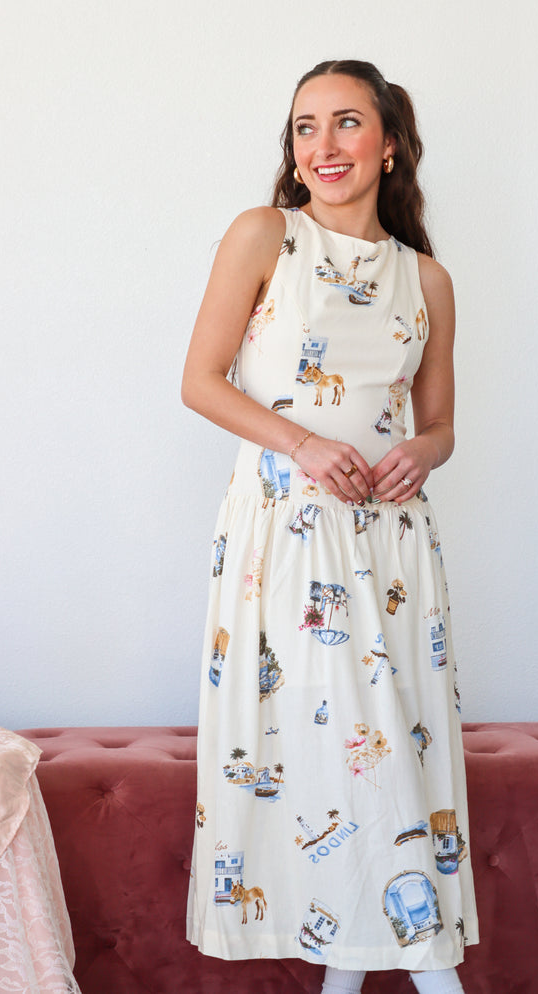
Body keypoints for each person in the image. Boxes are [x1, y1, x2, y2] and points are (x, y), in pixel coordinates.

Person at [182, 60, 478, 994]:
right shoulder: (264, 236)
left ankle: (347, 979)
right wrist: (303, 443)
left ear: (389, 144)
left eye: (346, 124)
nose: (322, 146)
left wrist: (424, 453)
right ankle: (435, 977)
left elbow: (440, 427)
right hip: (289, 539)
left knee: (396, 769)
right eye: (305, 128)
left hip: (393, 547)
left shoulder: (426, 280)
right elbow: (202, 382)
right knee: (340, 767)